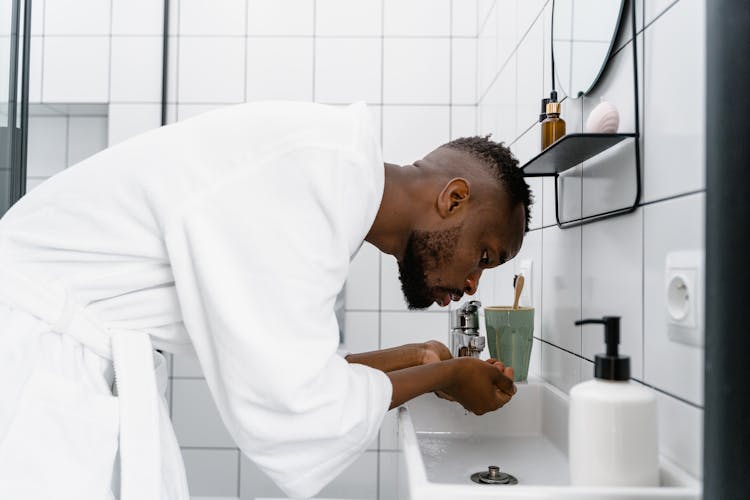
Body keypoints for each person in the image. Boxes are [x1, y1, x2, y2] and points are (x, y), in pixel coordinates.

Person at [0, 101, 531, 499]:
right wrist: (445, 377)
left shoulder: (330, 176)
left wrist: (417, 358)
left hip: (54, 348)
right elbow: (298, 409)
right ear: (454, 198)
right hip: (28, 360)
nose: (472, 285)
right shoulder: (310, 182)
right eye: (484, 255)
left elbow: (287, 370)